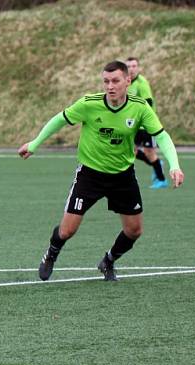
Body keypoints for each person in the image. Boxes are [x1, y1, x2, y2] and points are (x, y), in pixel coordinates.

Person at [18, 61, 184, 282]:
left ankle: (108, 261)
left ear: (128, 81)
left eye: (115, 81)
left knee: (134, 231)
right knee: (67, 231)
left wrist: (174, 165)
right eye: (106, 81)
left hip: (122, 176)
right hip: (90, 175)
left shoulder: (140, 107)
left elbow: (161, 135)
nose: (110, 86)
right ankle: (51, 254)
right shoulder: (89, 103)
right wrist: (35, 144)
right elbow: (60, 119)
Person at [126, 57, 167, 189]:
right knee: (132, 151)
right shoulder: (127, 83)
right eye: (129, 66)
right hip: (134, 124)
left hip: (146, 124)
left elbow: (148, 103)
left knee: (150, 152)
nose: (131, 69)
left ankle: (161, 180)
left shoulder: (142, 83)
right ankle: (157, 164)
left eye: (134, 66)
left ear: (138, 68)